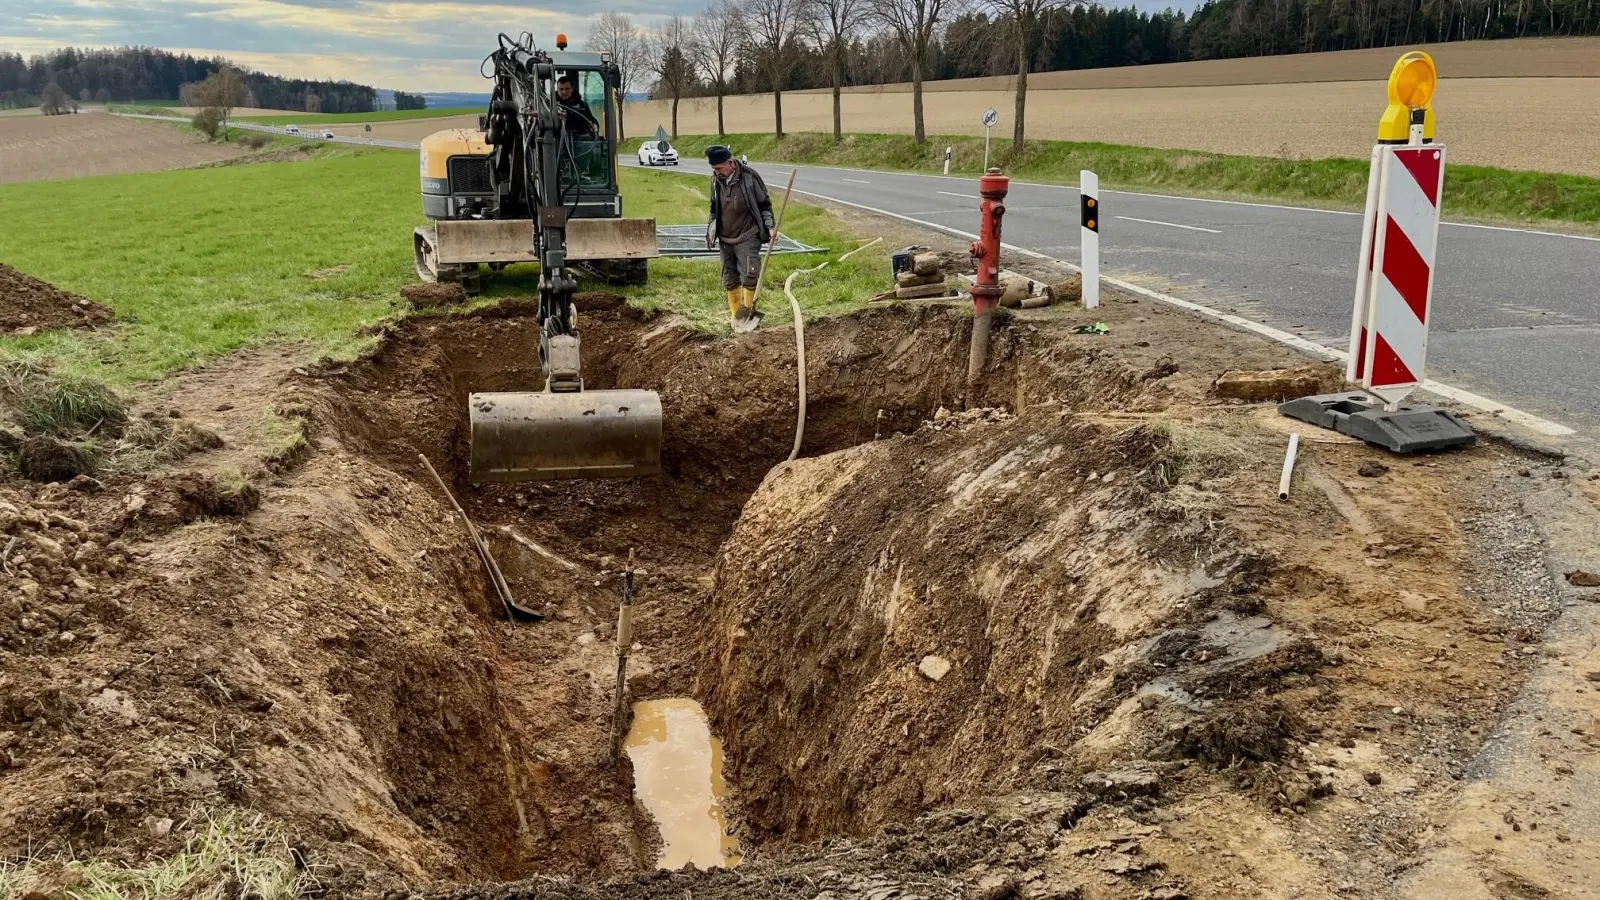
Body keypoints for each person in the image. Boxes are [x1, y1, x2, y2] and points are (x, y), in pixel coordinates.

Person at [704, 145, 776, 325]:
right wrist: (710, 232)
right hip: (725, 238)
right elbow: (714, 208)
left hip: (748, 235)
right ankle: (736, 318)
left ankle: (748, 314)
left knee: (750, 275)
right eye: (714, 169)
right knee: (729, 279)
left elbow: (764, 204)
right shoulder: (715, 180)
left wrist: (770, 226)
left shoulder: (749, 177)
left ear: (730, 163)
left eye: (719, 168)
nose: (717, 172)